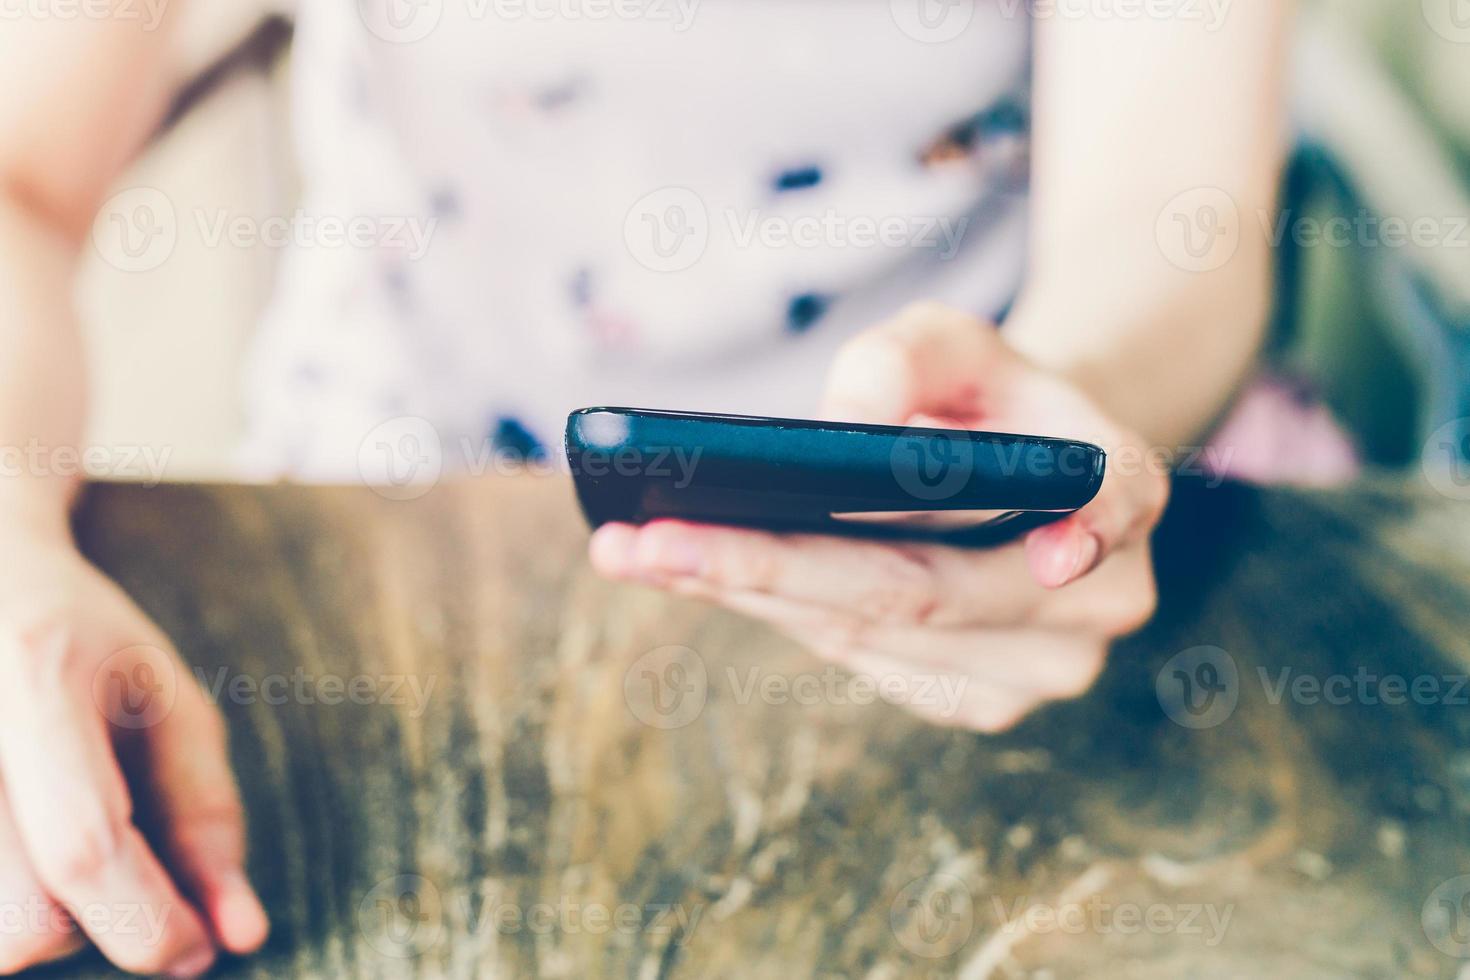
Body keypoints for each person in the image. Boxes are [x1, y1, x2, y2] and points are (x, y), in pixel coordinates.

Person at [0, 0, 1286, 973]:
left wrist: (1073, 407)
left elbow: (1172, 217)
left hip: (967, 519)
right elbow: (20, 177)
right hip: (388, 508)